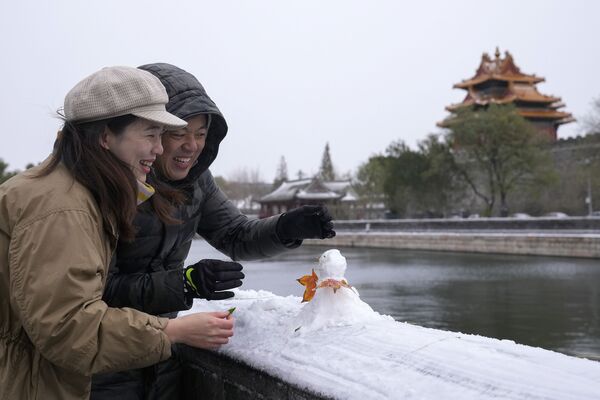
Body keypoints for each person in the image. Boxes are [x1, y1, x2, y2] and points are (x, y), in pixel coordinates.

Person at [90, 63, 336, 399]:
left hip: (163, 358)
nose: (192, 145)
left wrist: (284, 227)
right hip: (100, 367)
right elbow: (97, 289)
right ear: (151, 131)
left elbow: (236, 235)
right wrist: (185, 282)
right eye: (179, 132)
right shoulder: (104, 187)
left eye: (201, 134)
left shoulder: (197, 182)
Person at [0, 66, 236, 400]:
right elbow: (67, 329)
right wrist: (172, 331)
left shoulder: (74, 192)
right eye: (151, 134)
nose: (158, 150)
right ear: (106, 136)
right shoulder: (63, 208)